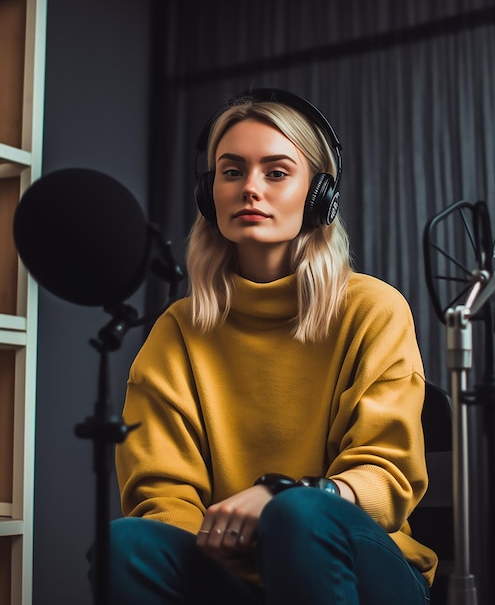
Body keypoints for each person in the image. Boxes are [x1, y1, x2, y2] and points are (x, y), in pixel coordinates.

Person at [107, 88, 437, 604]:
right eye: (231, 171)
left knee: (299, 513)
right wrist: (217, 544)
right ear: (208, 191)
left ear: (318, 194)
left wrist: (286, 495)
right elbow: (162, 494)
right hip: (233, 571)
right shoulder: (178, 329)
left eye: (276, 172)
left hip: (361, 568)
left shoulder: (373, 308)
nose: (249, 189)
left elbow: (387, 475)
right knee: (125, 542)